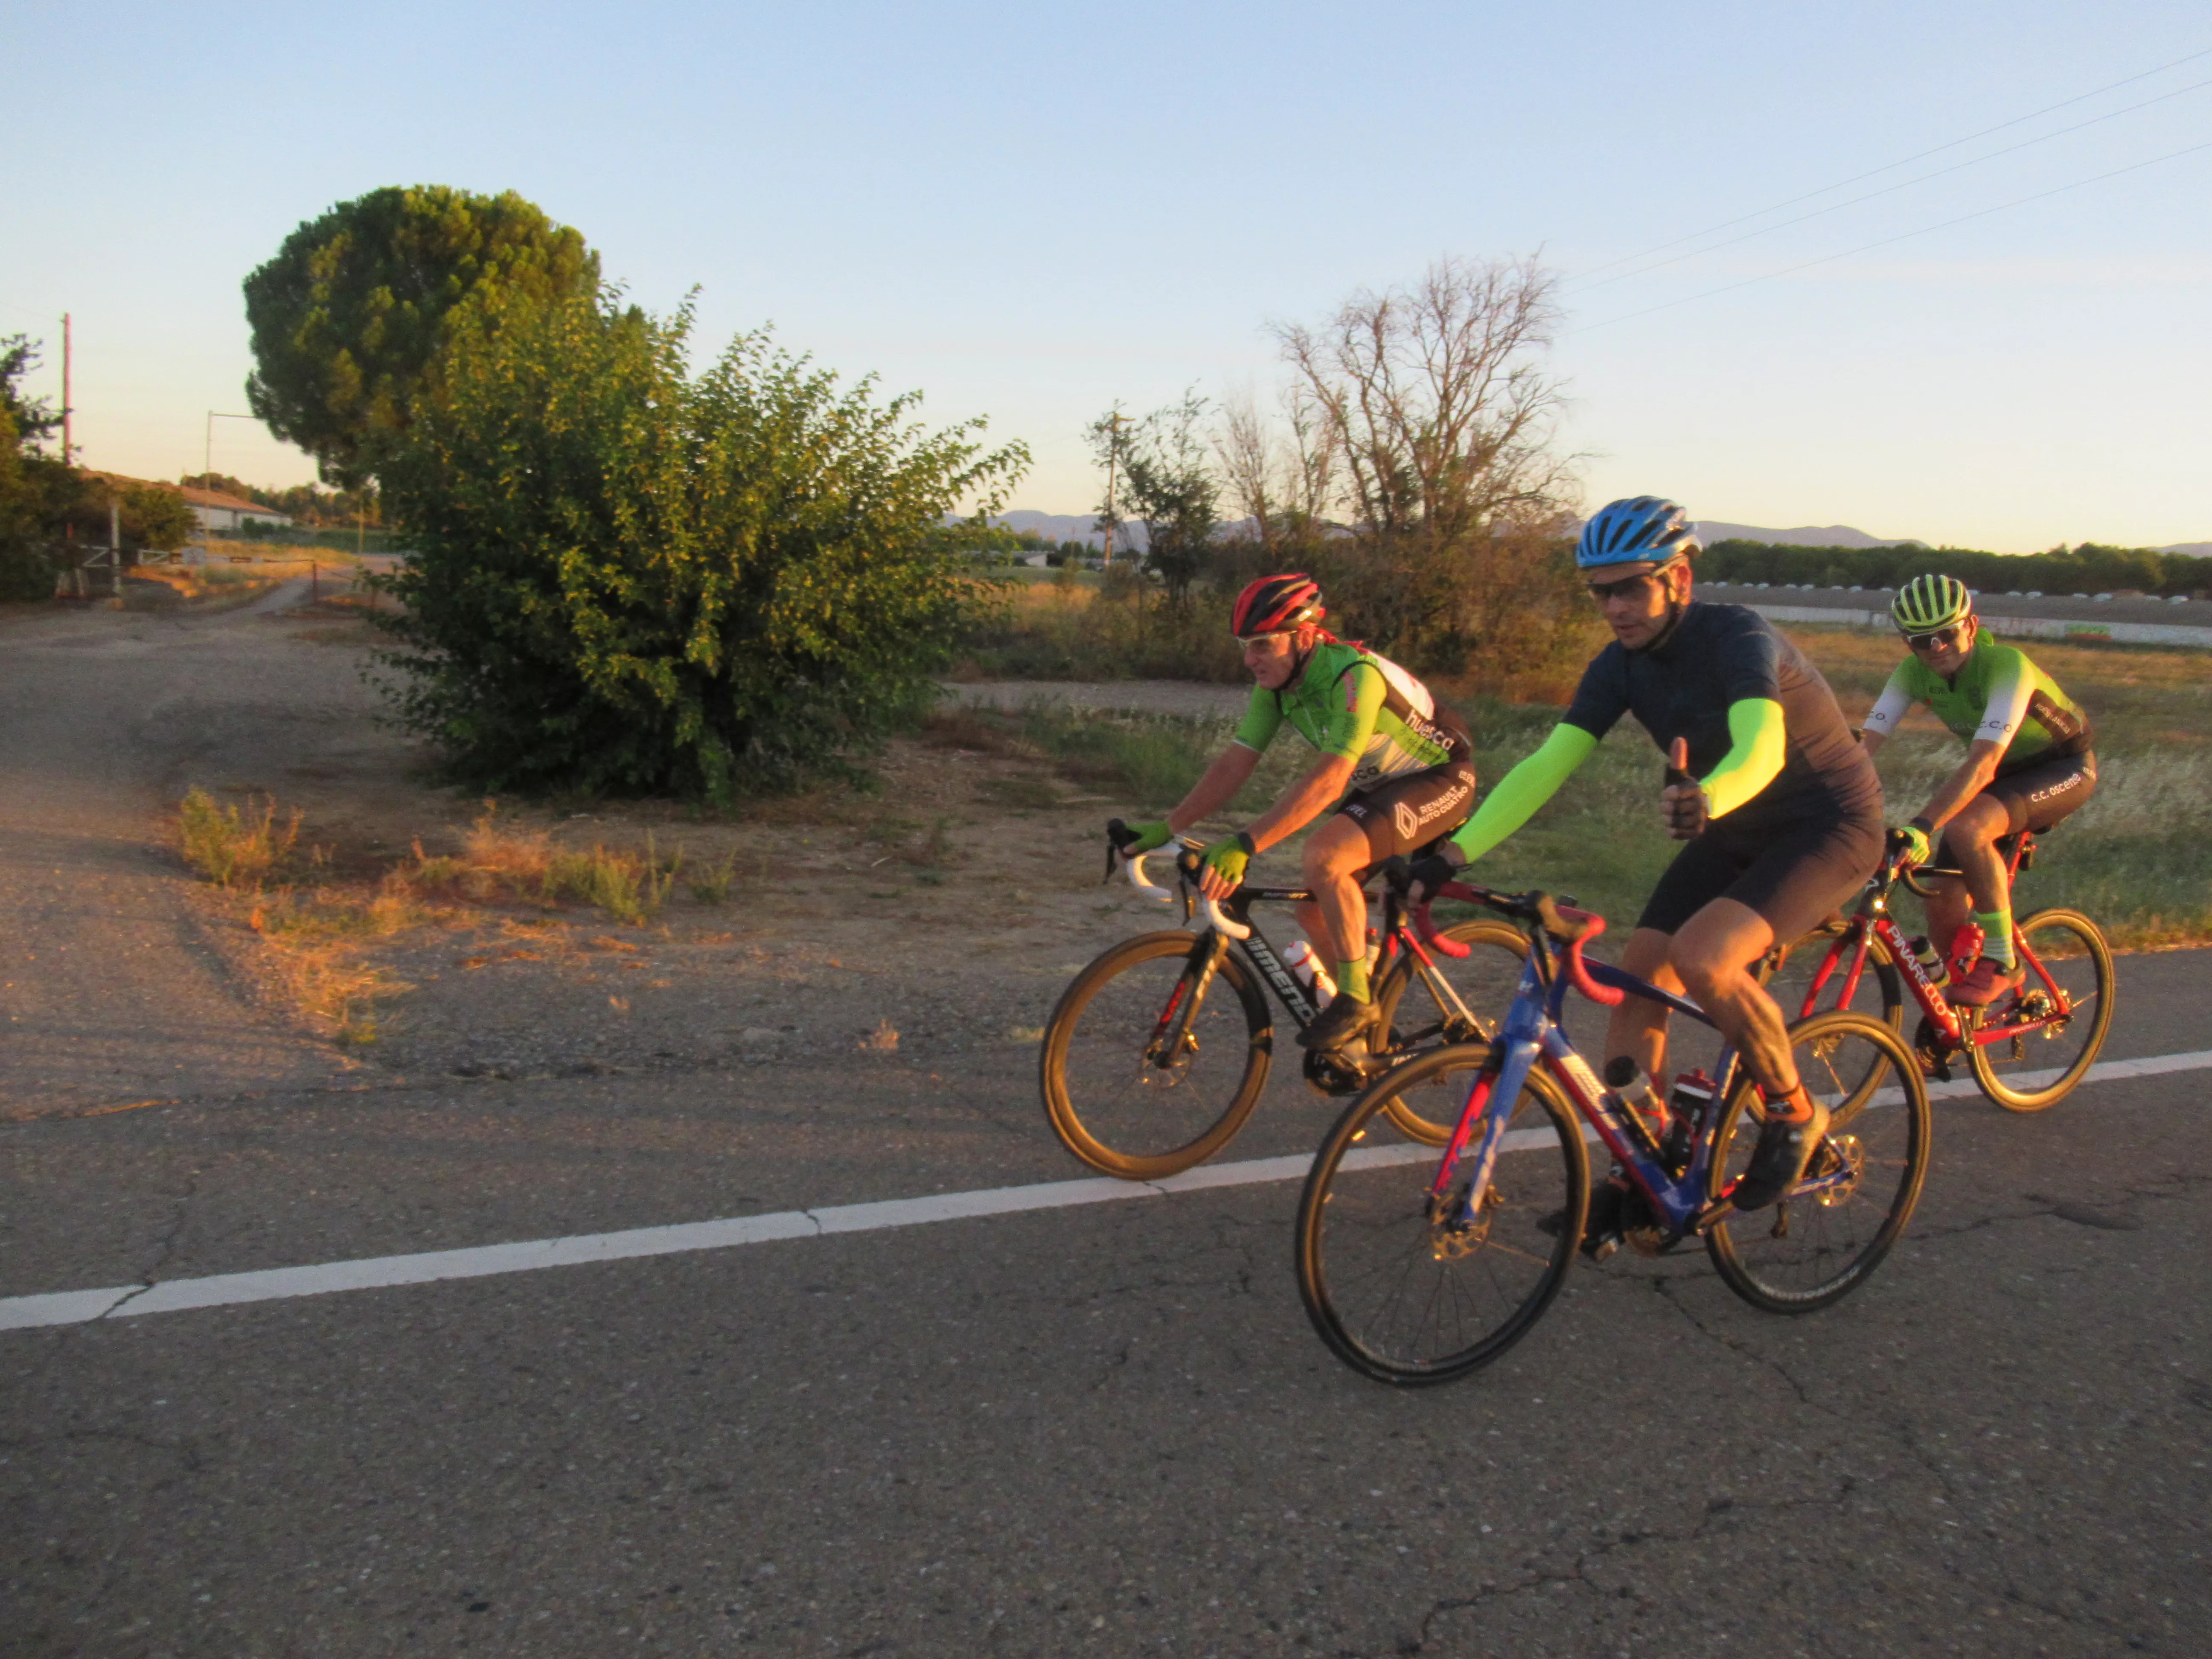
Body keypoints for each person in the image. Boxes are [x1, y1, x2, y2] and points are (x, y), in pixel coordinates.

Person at [1415, 497, 1885, 1211]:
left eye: (1630, 586)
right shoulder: (1619, 667)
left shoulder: (1737, 638)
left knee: (1705, 957)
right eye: (1600, 592)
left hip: (1828, 826)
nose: (1613, 607)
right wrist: (1452, 853)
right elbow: (1548, 764)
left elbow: (1758, 747)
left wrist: (1709, 797)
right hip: (1731, 828)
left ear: (1679, 582)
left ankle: (1793, 1110)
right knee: (1640, 974)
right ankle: (1647, 1154)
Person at [1120, 574, 1478, 1056]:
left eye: (1263, 645)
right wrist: (1168, 828)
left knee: (1325, 856)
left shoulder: (1354, 678)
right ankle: (1371, 1025)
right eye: (1246, 646)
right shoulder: (1278, 686)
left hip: (1441, 779)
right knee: (1313, 909)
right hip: (1383, 785)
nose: (1250, 659)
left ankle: (1355, 1000)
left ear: (1306, 636)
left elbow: (1331, 780)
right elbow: (1235, 763)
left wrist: (1246, 845)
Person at [1860, 573, 2096, 1005]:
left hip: (2063, 766)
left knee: (1967, 829)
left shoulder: (2006, 665)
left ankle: (2004, 958)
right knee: (1939, 890)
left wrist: (1921, 827)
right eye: (1921, 641)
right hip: (2007, 775)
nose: (1936, 648)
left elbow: (1984, 762)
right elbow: (1863, 746)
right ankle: (1953, 1007)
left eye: (1946, 634)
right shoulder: (1913, 673)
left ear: (1971, 625)